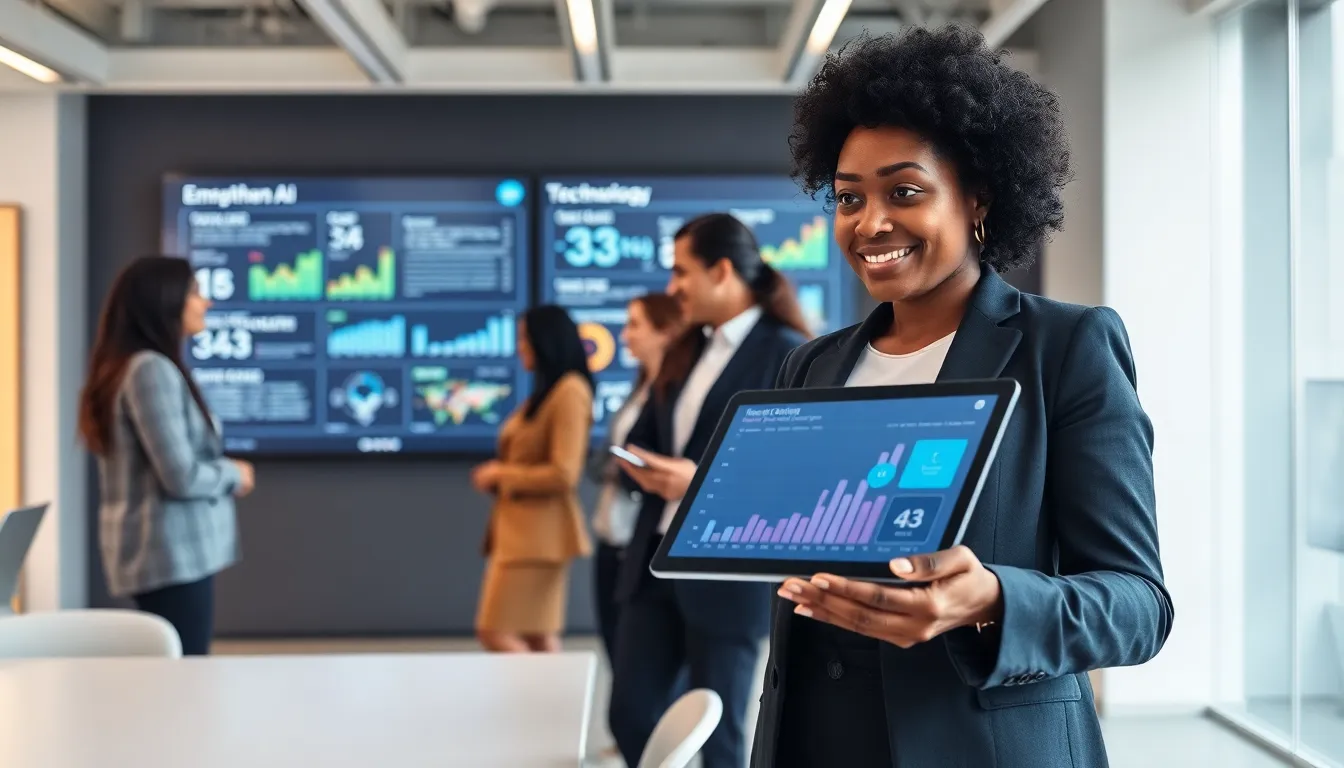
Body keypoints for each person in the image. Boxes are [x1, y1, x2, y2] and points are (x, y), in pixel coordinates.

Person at [749, 26, 1174, 767]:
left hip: (986, 745)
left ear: (977, 197)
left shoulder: (1065, 349)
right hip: (813, 741)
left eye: (905, 192)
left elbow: (1139, 605)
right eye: (848, 198)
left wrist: (992, 600)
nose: (870, 223)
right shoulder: (809, 369)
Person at [609, 213, 810, 768]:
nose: (672, 288)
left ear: (721, 271)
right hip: (655, 560)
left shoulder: (786, 352)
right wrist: (642, 463)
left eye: (681, 272)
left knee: (723, 739)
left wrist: (695, 481)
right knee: (629, 713)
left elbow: (797, 472)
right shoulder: (687, 348)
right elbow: (651, 432)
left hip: (725, 570)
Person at [79, 255, 256, 656]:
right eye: (195, 292)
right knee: (185, 675)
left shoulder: (137, 366)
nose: (205, 302)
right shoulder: (150, 371)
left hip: (166, 556)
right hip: (170, 557)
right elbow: (180, 475)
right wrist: (233, 474)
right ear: (165, 300)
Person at [472, 304, 594, 653]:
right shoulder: (547, 393)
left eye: (525, 337)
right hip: (522, 537)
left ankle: (545, 703)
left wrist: (501, 473)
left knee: (496, 632)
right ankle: (545, 705)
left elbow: (564, 472)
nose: (519, 346)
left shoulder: (570, 391)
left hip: (539, 540)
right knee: (536, 636)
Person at [587, 293, 685, 664]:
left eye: (634, 325)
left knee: (641, 664)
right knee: (617, 653)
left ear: (664, 332)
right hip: (612, 533)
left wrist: (631, 471)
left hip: (642, 536)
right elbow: (603, 457)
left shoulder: (676, 391)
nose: (624, 335)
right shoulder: (640, 386)